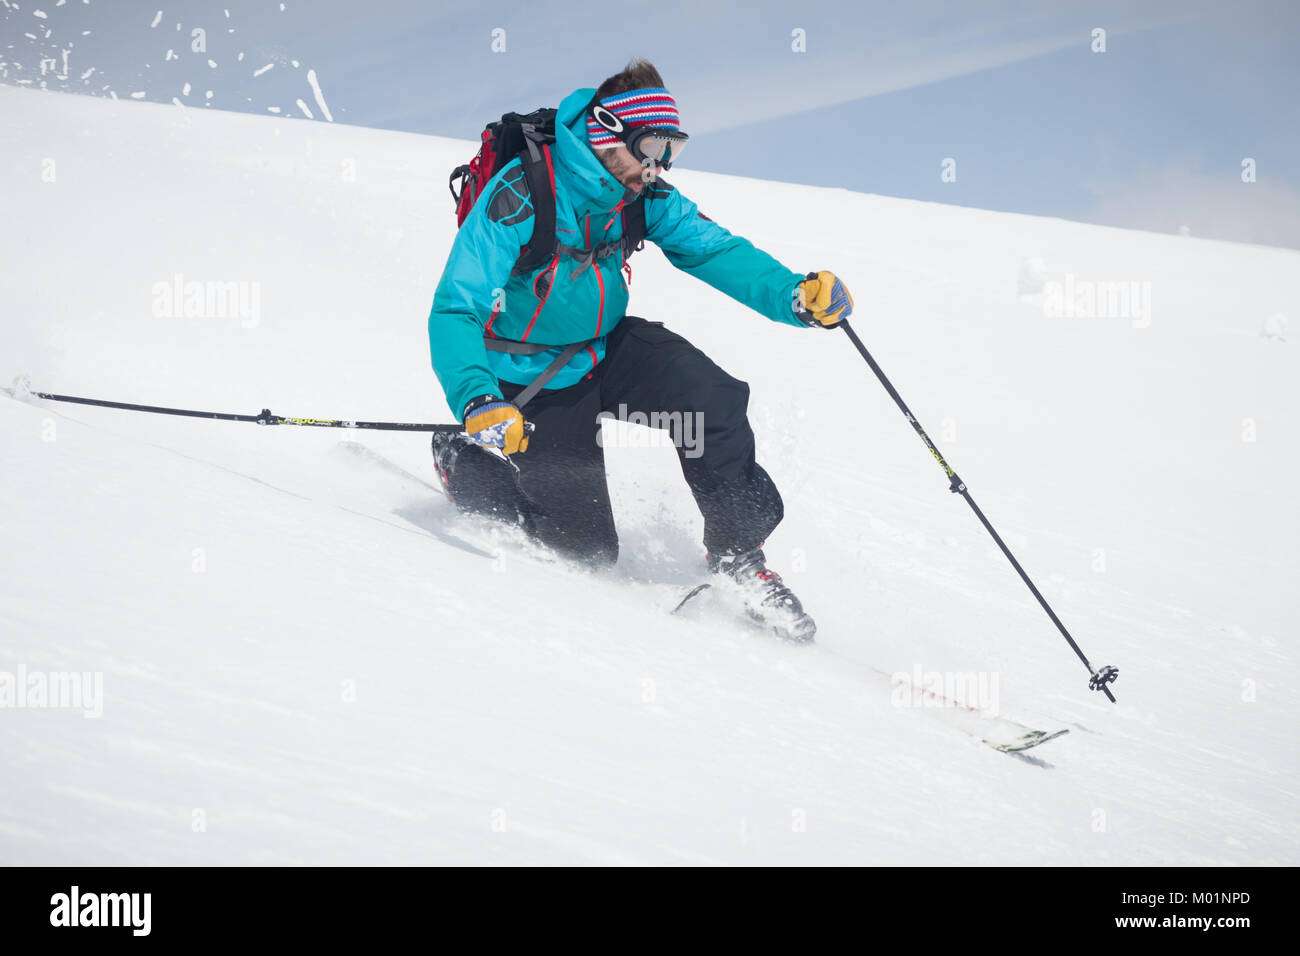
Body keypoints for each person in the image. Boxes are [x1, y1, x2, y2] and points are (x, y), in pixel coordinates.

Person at [427, 58, 853, 641]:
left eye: (670, 150)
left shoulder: (639, 194)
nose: (658, 166)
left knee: (711, 401)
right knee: (586, 552)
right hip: (527, 376)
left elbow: (712, 248)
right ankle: (465, 460)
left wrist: (793, 295)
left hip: (606, 349)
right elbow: (457, 305)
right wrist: (478, 398)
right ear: (605, 132)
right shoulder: (522, 193)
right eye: (650, 146)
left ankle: (738, 557)